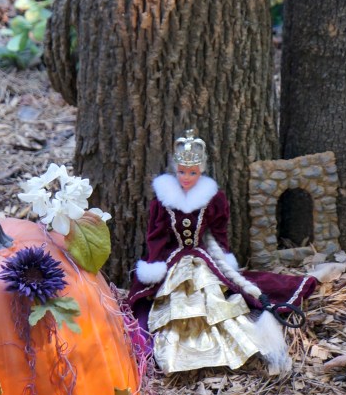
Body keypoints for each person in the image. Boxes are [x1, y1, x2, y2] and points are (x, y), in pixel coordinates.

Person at [128, 130, 317, 374]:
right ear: (175, 170)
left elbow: (218, 233)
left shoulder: (213, 198)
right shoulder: (163, 199)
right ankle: (178, 353)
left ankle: (226, 349)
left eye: (192, 172)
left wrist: (224, 257)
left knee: (216, 300)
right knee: (173, 303)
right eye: (182, 172)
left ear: (202, 170)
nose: (186, 177)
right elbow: (156, 236)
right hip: (174, 263)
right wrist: (155, 265)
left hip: (202, 260)